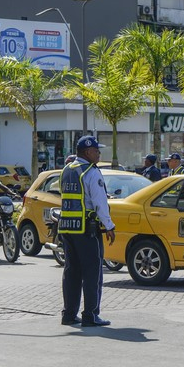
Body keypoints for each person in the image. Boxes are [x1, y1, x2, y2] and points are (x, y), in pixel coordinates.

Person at [59, 136, 116, 327]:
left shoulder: (68, 170)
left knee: (71, 272)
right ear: (87, 152)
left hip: (68, 228)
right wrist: (109, 226)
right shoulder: (91, 172)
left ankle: (68, 314)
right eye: (97, 151)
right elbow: (100, 203)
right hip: (87, 230)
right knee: (92, 273)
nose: (99, 153)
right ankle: (90, 315)